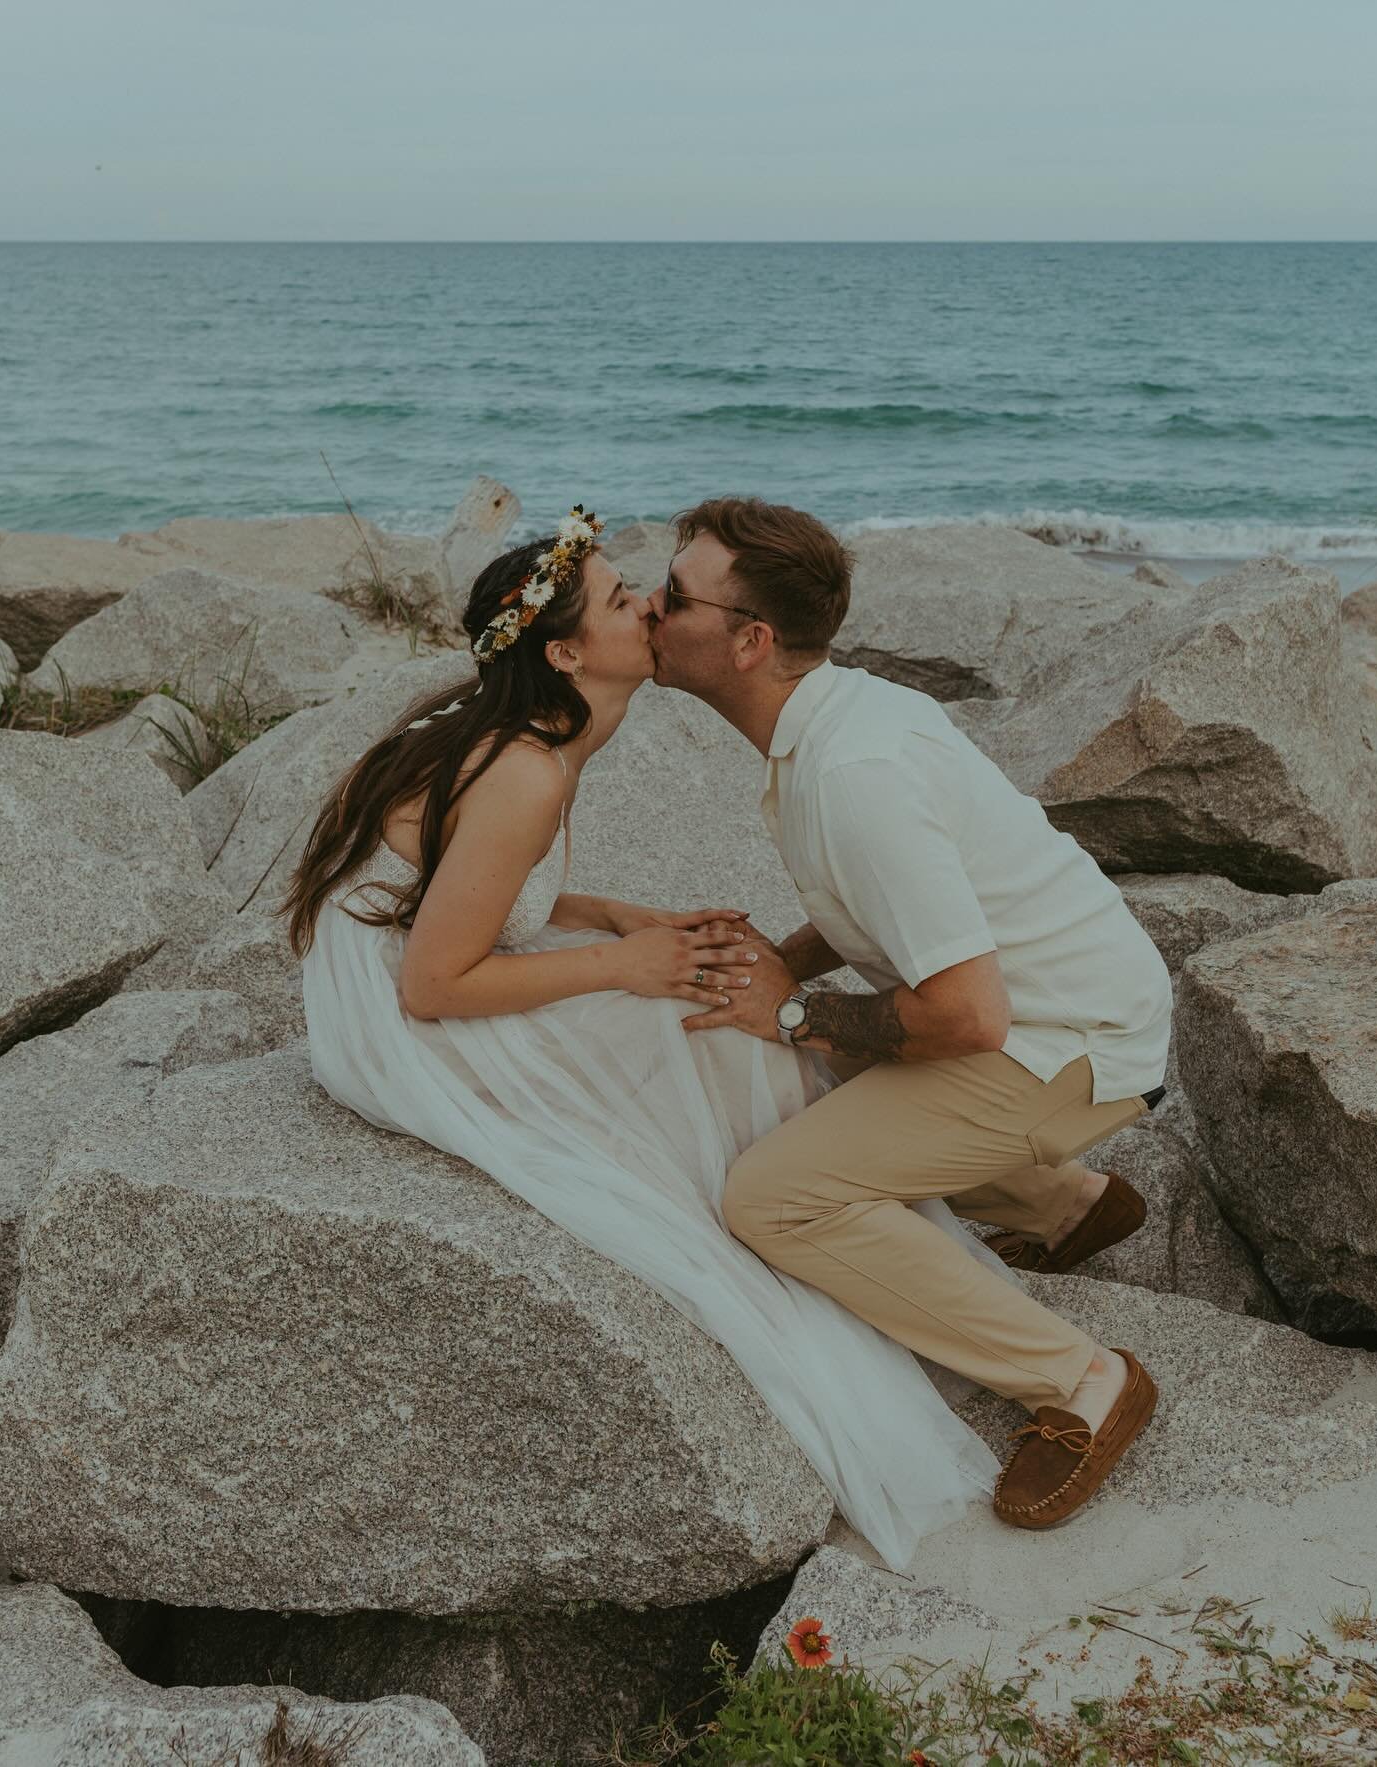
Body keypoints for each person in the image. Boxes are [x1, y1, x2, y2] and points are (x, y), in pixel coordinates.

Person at [279, 505, 1016, 1575]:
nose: (653, 604)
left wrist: (618, 916)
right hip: (392, 1017)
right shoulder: (525, 768)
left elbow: (487, 886)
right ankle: (818, 1229)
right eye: (626, 599)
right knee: (700, 1024)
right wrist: (624, 965)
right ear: (567, 651)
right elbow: (436, 981)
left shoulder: (544, 742)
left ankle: (844, 1216)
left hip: (417, 967)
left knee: (711, 1010)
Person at [647, 495, 1173, 1530]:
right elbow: (877, 908)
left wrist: (794, 1013)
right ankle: (1062, 1204)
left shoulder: (855, 770)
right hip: (1067, 1005)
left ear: (750, 641)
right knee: (795, 1066)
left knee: (773, 1195)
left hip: (1065, 1046)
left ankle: (1082, 1381)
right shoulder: (835, 718)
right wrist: (782, 961)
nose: (649, 609)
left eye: (673, 597)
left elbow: (968, 1016)